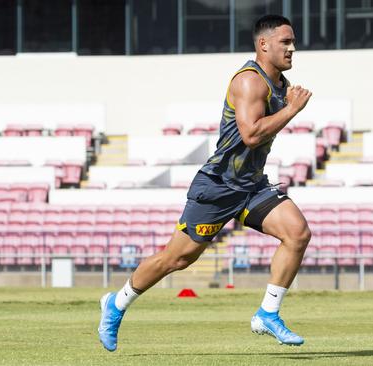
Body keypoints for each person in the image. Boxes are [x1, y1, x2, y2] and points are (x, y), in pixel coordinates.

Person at [99, 14, 312, 351]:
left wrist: (287, 106)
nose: (292, 48)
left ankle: (267, 313)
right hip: (219, 186)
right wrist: (291, 111)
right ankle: (117, 303)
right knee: (177, 259)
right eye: (285, 42)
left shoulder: (282, 86)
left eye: (292, 41)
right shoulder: (249, 82)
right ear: (264, 44)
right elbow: (251, 134)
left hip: (252, 185)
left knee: (297, 233)